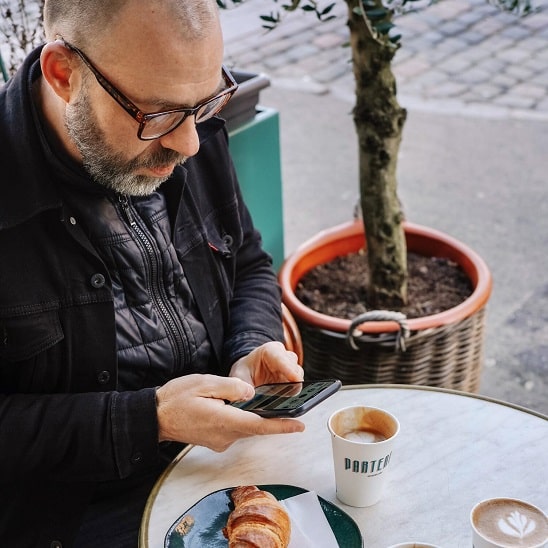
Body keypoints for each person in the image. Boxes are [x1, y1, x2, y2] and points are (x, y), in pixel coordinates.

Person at [0, 0, 305, 545]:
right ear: (63, 74)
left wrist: (251, 344)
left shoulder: (190, 123)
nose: (189, 143)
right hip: (79, 514)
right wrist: (152, 420)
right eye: (158, 115)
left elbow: (250, 260)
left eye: (207, 103)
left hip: (230, 465)